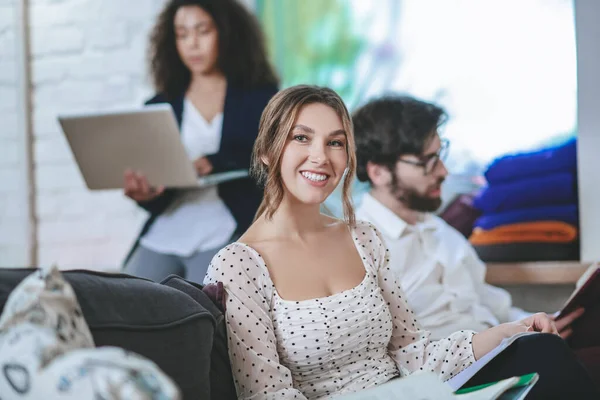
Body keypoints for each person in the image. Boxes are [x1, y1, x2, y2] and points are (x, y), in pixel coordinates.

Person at [203, 85, 598, 399]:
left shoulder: (363, 238)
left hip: (415, 391)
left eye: (336, 142)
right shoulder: (238, 264)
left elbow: (415, 354)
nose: (320, 156)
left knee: (542, 351)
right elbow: (267, 395)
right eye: (301, 138)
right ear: (268, 152)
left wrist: (510, 330)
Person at [352, 94, 600, 386]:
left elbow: (495, 306)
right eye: (426, 162)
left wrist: (543, 320)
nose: (443, 172)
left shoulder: (444, 234)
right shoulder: (358, 246)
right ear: (378, 171)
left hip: (501, 351)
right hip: (446, 376)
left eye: (440, 156)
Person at [123, 0, 279, 284]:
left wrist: (215, 163)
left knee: (203, 309)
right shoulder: (159, 105)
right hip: (169, 226)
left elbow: (275, 160)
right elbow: (159, 189)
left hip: (227, 223)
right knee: (128, 299)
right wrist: (146, 195)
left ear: (226, 33)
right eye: (182, 34)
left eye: (202, 31)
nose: (192, 44)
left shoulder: (260, 97)